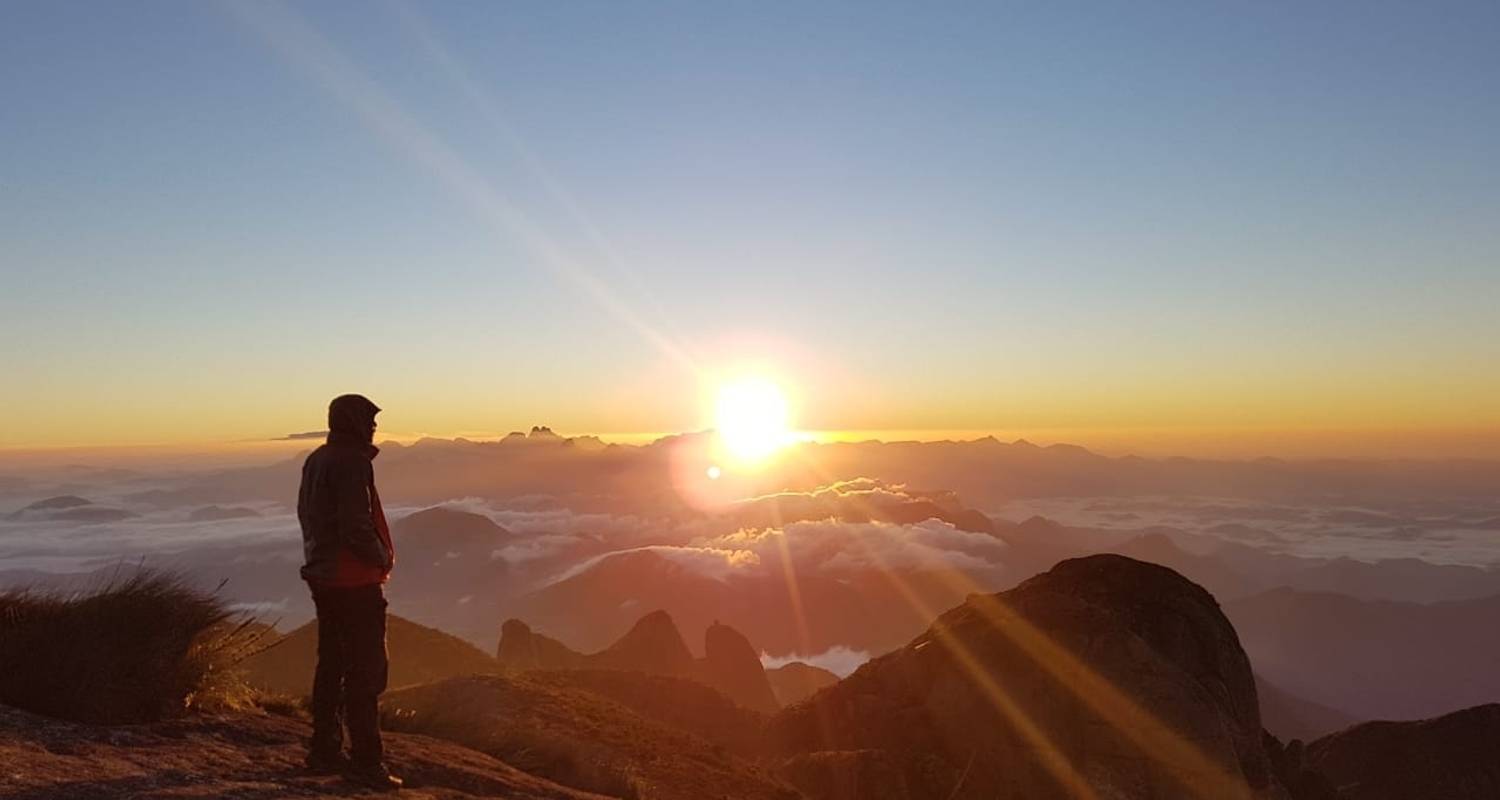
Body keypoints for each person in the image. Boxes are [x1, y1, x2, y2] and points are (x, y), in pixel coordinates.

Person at [297, 394, 402, 791]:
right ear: (352, 422)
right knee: (367, 672)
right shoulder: (352, 462)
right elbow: (355, 525)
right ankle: (366, 763)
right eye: (369, 419)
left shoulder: (317, 459)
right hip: (353, 579)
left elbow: (309, 515)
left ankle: (323, 749)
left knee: (331, 665)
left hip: (323, 576)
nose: (374, 426)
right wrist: (382, 559)